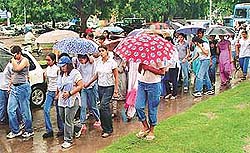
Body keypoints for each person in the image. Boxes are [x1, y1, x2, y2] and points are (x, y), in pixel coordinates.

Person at [85, 45, 118, 138]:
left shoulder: (112, 62)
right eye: (100, 51)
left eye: (103, 50)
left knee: (103, 106)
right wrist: (89, 82)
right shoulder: (98, 62)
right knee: (105, 108)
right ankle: (107, 128)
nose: (101, 53)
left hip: (109, 87)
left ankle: (107, 129)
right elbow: (97, 75)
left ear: (107, 51)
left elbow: (116, 76)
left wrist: (116, 89)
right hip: (100, 87)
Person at [7, 45, 34, 139]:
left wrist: (13, 60)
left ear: (19, 53)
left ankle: (29, 130)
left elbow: (17, 69)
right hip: (14, 88)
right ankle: (15, 130)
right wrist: (10, 85)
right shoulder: (14, 61)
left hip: (23, 88)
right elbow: (13, 74)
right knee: (10, 110)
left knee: (24, 111)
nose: (14, 56)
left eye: (15, 55)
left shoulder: (24, 60)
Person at [56, 56, 84, 148]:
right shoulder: (61, 74)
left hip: (72, 99)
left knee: (68, 120)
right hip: (62, 99)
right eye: (61, 66)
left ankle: (68, 140)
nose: (62, 68)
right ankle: (78, 127)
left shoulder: (75, 73)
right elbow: (58, 85)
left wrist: (70, 93)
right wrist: (57, 95)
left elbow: (80, 85)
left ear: (68, 65)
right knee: (63, 118)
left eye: (64, 66)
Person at [135, 60, 166, 141]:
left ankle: (152, 130)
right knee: (138, 106)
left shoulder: (158, 58)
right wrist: (141, 65)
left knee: (152, 108)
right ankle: (145, 126)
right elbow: (139, 71)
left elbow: (163, 72)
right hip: (142, 83)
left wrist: (149, 68)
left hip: (154, 84)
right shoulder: (142, 57)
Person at [76, 54, 101, 138]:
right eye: (79, 60)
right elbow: (78, 74)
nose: (81, 61)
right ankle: (82, 123)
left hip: (92, 87)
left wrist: (89, 83)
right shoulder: (80, 65)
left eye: (82, 59)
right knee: (83, 106)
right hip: (84, 88)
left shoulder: (92, 63)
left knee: (93, 106)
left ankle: (98, 119)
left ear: (86, 58)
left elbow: (95, 75)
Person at [42, 53, 64, 138]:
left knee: (59, 112)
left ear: (53, 60)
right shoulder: (47, 69)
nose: (47, 62)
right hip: (49, 91)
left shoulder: (58, 69)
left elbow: (60, 81)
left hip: (57, 91)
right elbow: (47, 81)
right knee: (46, 110)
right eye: (46, 60)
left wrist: (58, 93)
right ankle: (49, 130)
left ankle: (61, 129)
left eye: (49, 60)